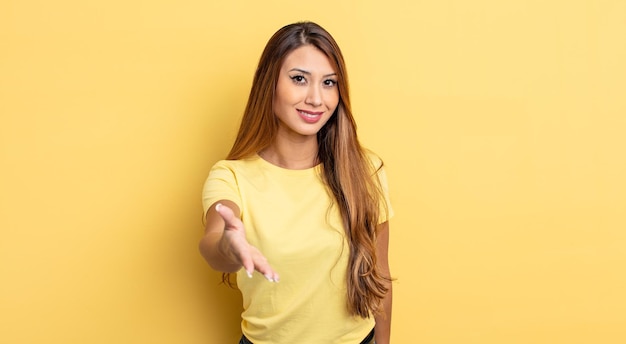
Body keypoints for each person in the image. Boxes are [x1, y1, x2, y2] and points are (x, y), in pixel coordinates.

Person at [199, 21, 394, 344]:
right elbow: (213, 242)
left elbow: (382, 278)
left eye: (329, 83)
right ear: (269, 84)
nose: (316, 99)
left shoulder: (365, 169)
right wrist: (228, 246)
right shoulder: (231, 176)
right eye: (299, 79)